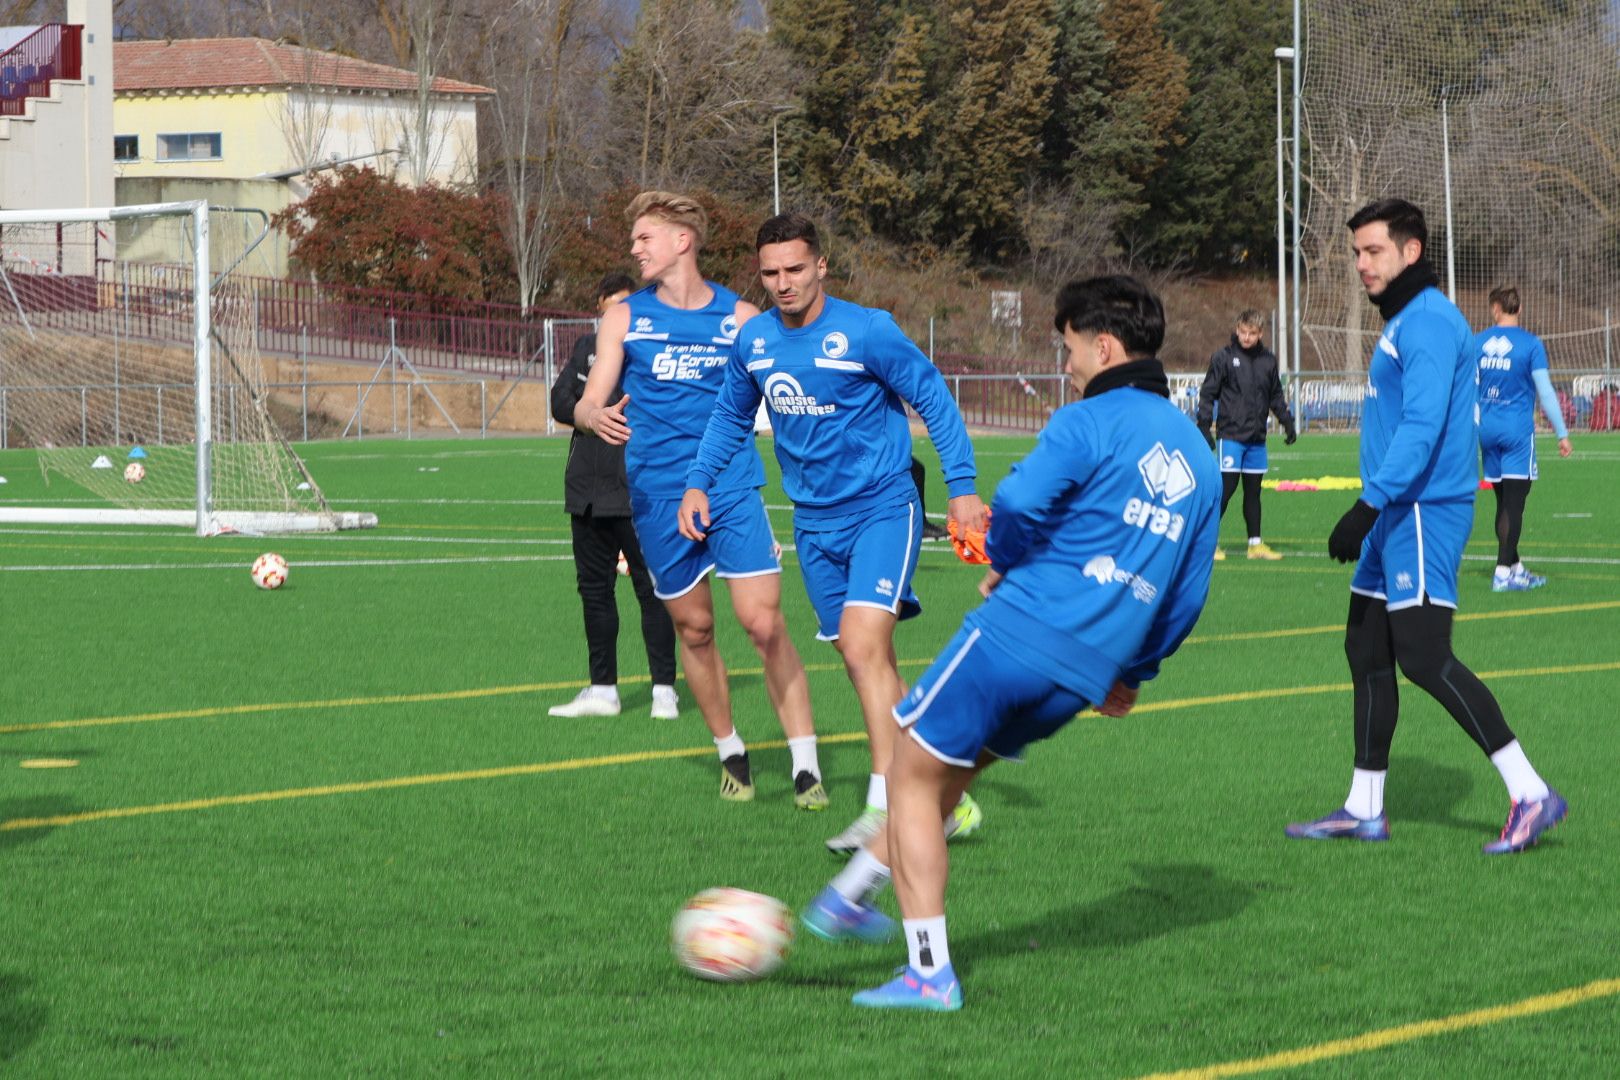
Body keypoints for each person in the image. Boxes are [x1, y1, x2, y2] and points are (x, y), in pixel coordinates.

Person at [798, 275, 1219, 1011]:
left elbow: (1019, 504)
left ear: (1104, 345)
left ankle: (927, 972)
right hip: (1083, 674)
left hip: (1019, 632)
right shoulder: (1200, 455)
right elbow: (1186, 594)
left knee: (908, 769)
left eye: (1069, 349)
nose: (1067, 365)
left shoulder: (1086, 422)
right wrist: (1135, 669)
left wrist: (1011, 559)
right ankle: (849, 894)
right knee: (948, 772)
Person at [682, 213, 988, 855]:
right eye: (770, 273)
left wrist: (960, 488)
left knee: (859, 644)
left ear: (821, 265)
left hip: (882, 508)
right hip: (814, 525)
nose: (783, 283)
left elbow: (932, 398)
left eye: (795, 268)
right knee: (870, 660)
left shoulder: (867, 331)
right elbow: (730, 416)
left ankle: (889, 813)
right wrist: (698, 481)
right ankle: (939, 800)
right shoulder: (755, 341)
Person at [1290, 197, 1565, 853]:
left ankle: (1530, 792)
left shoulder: (1432, 322)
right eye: (1356, 252)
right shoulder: (1408, 319)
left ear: (1411, 251)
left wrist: (1367, 504)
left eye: (1373, 250)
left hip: (1420, 510)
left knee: (1423, 656)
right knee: (1366, 649)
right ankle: (1364, 807)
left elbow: (1423, 425)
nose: (1361, 264)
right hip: (1395, 511)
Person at [573, 191, 824, 807]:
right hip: (657, 493)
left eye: (644, 238)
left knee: (762, 622)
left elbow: (789, 380)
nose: (634, 250)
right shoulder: (623, 317)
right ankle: (730, 751)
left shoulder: (741, 318)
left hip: (730, 484)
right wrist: (590, 417)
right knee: (696, 626)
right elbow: (587, 398)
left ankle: (806, 764)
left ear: (681, 240)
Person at [547, 273, 679, 720]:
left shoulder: (655, 349)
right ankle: (603, 689)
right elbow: (560, 400)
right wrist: (590, 412)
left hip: (639, 489)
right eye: (606, 307)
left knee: (652, 589)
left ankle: (665, 689)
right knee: (594, 592)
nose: (613, 315)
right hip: (586, 489)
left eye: (621, 305)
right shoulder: (588, 346)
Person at [1471, 285, 1573, 591]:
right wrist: (1562, 432)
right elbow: (1545, 391)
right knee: (1515, 505)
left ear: (1495, 309)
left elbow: (1465, 388)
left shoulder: (1477, 343)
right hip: (1516, 431)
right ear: (1520, 308)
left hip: (1486, 430)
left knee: (1503, 502)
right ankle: (1503, 574)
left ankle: (1514, 566)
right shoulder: (1530, 344)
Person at [1196, 308, 1296, 561]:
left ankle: (1255, 545)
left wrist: (1287, 422)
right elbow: (1208, 393)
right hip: (1230, 436)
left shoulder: (1268, 361)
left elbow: (1275, 395)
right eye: (1243, 332)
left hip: (1256, 439)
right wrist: (1204, 425)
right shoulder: (1224, 358)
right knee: (1226, 489)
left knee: (1254, 492)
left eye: (1252, 333)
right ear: (1237, 330)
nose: (1247, 337)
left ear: (1260, 333)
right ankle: (1206, 543)